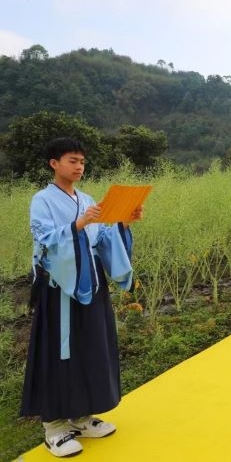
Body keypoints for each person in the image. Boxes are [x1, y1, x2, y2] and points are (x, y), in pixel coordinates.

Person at [20, 137, 143, 458]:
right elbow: (45, 240)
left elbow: (102, 238)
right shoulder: (42, 200)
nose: (79, 167)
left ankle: (82, 416)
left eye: (82, 162)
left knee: (91, 347)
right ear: (54, 163)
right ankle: (55, 426)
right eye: (72, 160)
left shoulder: (87, 198)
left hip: (92, 283)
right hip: (60, 287)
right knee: (59, 353)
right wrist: (80, 223)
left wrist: (124, 220)